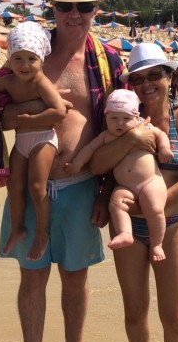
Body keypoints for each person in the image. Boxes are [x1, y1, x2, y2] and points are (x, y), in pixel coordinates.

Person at [0, 0, 125, 342]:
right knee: (32, 278)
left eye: (84, 6)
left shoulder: (108, 60)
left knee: (76, 277)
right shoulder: (31, 53)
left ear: (96, 10)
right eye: (65, 6)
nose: (74, 14)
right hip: (30, 184)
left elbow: (119, 127)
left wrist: (106, 192)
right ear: (54, 9)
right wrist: (27, 116)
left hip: (82, 185)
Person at [88, 43, 178, 342]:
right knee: (135, 309)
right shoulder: (120, 120)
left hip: (172, 224)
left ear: (170, 76)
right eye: (137, 79)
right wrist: (129, 139)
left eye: (155, 75)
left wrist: (149, 207)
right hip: (127, 229)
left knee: (175, 318)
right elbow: (98, 166)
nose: (146, 84)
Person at [0, 22, 67, 261]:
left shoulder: (41, 82)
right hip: (22, 140)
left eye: (32, 59)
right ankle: (17, 228)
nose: (25, 65)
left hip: (43, 138)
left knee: (37, 187)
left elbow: (59, 111)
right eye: (18, 59)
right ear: (9, 60)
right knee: (14, 186)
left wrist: (31, 119)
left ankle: (42, 233)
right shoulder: (9, 82)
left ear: (41, 60)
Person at [64, 89, 172, 262]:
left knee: (155, 209)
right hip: (125, 186)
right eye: (113, 118)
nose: (119, 123)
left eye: (126, 119)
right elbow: (88, 149)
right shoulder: (106, 136)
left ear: (136, 117)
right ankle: (125, 233)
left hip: (150, 181)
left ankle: (157, 243)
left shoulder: (144, 127)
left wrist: (165, 149)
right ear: (106, 117)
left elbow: (160, 135)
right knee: (116, 203)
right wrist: (77, 164)